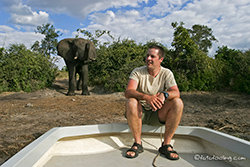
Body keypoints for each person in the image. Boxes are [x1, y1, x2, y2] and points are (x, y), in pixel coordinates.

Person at [124, 45, 183, 160]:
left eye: (152, 56)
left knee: (178, 102)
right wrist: (147, 97)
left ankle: (166, 145)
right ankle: (137, 143)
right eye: (147, 56)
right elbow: (128, 92)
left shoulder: (167, 73)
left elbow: (176, 92)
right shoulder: (137, 72)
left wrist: (164, 94)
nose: (148, 59)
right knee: (131, 101)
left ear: (160, 59)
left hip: (159, 114)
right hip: (140, 114)